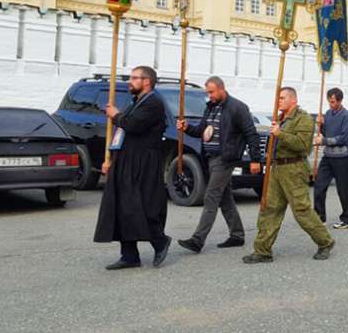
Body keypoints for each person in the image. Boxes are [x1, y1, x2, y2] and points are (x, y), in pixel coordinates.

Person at [93, 66, 172, 270]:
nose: (130, 81)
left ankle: (159, 240)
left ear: (147, 81)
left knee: (140, 204)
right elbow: (122, 132)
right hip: (126, 159)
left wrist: (115, 115)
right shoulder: (135, 102)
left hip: (143, 162)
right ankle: (129, 255)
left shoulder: (154, 103)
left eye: (135, 78)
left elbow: (133, 125)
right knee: (121, 205)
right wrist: (110, 158)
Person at [243, 87, 335, 264]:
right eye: (278, 98)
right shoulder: (280, 119)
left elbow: (303, 145)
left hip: (294, 168)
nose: (279, 101)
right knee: (270, 209)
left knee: (301, 210)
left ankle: (325, 242)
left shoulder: (304, 118)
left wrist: (280, 134)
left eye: (282, 98)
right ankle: (262, 251)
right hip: (277, 168)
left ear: (293, 100)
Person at [176, 76, 261, 255]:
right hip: (211, 158)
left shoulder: (238, 107)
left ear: (222, 88)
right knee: (224, 197)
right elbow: (201, 130)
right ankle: (237, 235)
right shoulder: (210, 107)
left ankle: (197, 240)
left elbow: (251, 134)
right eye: (208, 92)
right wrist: (187, 127)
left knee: (211, 196)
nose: (210, 95)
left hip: (225, 159)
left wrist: (255, 159)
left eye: (212, 92)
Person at [313, 88, 348, 229]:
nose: (331, 104)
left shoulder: (346, 116)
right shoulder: (327, 114)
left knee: (343, 190)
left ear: (340, 100)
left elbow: (344, 138)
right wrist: (320, 124)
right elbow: (325, 133)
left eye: (333, 102)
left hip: (341, 157)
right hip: (328, 156)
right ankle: (320, 217)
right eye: (329, 101)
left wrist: (324, 141)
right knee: (319, 186)